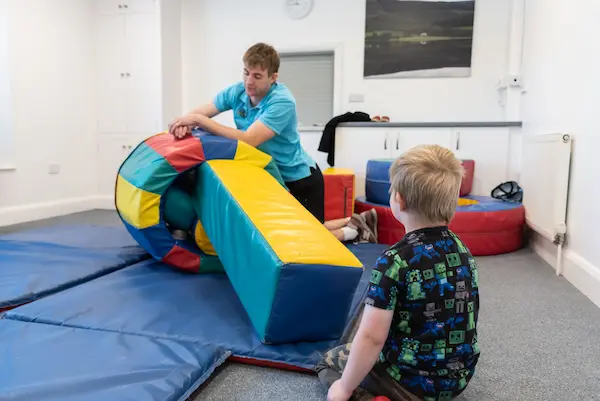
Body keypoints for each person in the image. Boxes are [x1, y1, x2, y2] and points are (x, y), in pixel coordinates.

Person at [316, 144, 481, 401]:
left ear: (399, 200)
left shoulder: (395, 261)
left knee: (328, 362)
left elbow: (371, 337)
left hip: (410, 382)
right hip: (458, 378)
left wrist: (344, 388)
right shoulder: (462, 249)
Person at [168, 42, 377, 243]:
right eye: (246, 73)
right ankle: (357, 221)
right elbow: (202, 111)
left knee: (308, 239)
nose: (249, 81)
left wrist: (197, 121)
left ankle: (352, 231)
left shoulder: (282, 101)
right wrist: (183, 123)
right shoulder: (238, 92)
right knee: (286, 234)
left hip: (299, 178)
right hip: (271, 176)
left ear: (273, 77)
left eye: (257, 76)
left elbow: (250, 140)